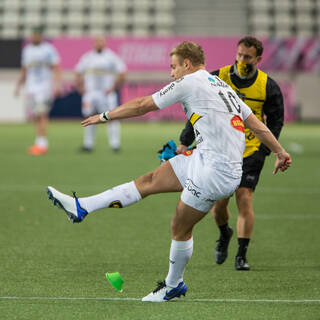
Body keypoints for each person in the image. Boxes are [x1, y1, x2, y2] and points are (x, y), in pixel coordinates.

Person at [46, 41, 291, 302]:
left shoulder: (190, 81)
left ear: (187, 64)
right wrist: (280, 152)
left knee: (179, 227)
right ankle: (81, 206)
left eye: (173, 67)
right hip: (204, 157)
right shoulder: (222, 86)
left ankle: (173, 285)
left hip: (215, 174)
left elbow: (142, 105)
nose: (171, 73)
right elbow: (255, 123)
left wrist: (104, 116)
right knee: (149, 180)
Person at [177, 36, 284, 271]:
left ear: (258, 59)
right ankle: (224, 232)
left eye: (247, 57)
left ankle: (241, 255)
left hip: (251, 151)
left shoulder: (268, 86)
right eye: (239, 55)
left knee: (244, 198)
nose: (242, 60)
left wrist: (265, 150)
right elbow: (197, 111)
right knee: (219, 207)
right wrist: (185, 141)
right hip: (220, 151)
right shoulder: (218, 77)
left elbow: (275, 121)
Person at [75, 35, 127, 152]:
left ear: (104, 43)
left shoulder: (111, 57)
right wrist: (81, 88)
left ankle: (115, 144)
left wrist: (114, 87)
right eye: (97, 42)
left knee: (112, 117)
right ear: (93, 43)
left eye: (101, 41)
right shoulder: (88, 57)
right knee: (89, 118)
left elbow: (123, 72)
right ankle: (88, 144)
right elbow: (78, 72)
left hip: (106, 93)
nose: (99, 44)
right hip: (91, 93)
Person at [14, 27, 61, 155]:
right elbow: (24, 70)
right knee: (36, 115)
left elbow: (56, 68)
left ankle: (42, 144)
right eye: (33, 35)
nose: (34, 37)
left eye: (36, 35)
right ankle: (39, 142)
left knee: (42, 114)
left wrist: (57, 85)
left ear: (41, 36)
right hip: (31, 88)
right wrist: (18, 86)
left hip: (44, 88)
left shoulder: (48, 50)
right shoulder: (27, 50)